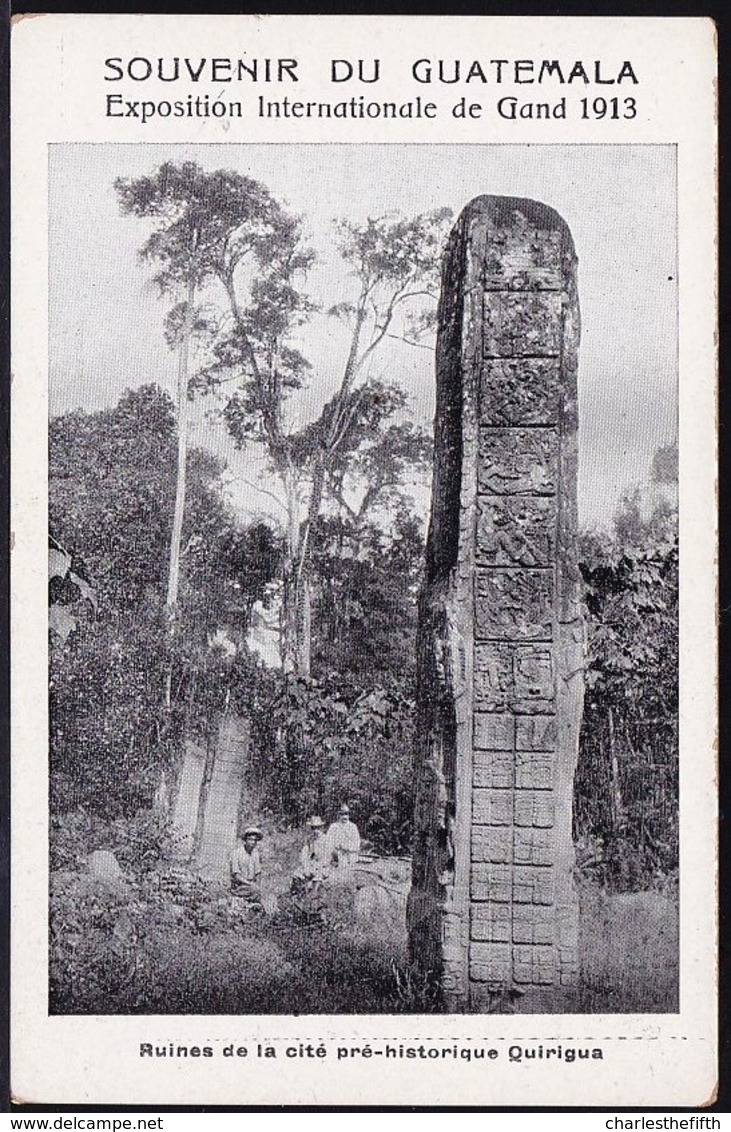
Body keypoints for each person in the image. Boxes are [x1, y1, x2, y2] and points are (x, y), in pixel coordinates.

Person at [291, 815, 330, 921]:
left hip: (322, 865)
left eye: (318, 828)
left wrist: (316, 866)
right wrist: (305, 865)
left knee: (317, 876)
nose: (315, 830)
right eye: (313, 828)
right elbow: (304, 854)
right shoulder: (310, 839)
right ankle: (297, 897)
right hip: (311, 864)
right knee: (297, 874)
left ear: (321, 828)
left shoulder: (326, 840)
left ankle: (313, 899)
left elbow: (327, 858)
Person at [325, 803, 361, 884]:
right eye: (342, 814)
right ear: (339, 815)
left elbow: (357, 844)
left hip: (350, 856)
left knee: (348, 873)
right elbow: (328, 842)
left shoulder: (353, 827)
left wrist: (347, 848)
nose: (345, 817)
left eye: (346, 814)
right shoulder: (333, 827)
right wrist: (334, 850)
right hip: (337, 855)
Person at [230, 826, 263, 904]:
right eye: (250, 840)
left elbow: (258, 873)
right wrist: (250, 884)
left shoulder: (255, 854)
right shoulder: (236, 853)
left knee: (259, 892)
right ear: (245, 840)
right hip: (240, 885)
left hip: (251, 885)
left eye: (255, 840)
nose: (253, 842)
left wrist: (257, 885)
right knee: (254, 891)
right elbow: (236, 875)